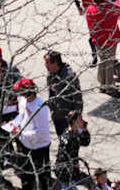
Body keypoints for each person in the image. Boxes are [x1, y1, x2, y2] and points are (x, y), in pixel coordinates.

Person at [3, 77, 54, 190]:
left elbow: (40, 132)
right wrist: (14, 124)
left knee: (42, 176)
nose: (19, 94)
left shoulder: (40, 108)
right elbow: (21, 115)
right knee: (26, 175)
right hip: (24, 143)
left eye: (21, 91)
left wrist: (21, 133)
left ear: (27, 92)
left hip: (40, 146)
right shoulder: (22, 100)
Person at [44, 52, 84, 182]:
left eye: (47, 62)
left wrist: (77, 119)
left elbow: (78, 98)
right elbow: (51, 93)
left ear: (55, 63)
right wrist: (51, 108)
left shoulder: (69, 76)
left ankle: (74, 170)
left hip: (69, 119)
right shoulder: (51, 75)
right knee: (63, 144)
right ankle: (65, 168)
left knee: (72, 146)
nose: (45, 65)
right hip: (57, 117)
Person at [86, 0, 120, 90]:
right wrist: (115, 1)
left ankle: (102, 84)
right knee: (109, 62)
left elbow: (90, 25)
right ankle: (109, 85)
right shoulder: (111, 7)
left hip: (98, 39)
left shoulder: (90, 9)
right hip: (111, 37)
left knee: (102, 60)